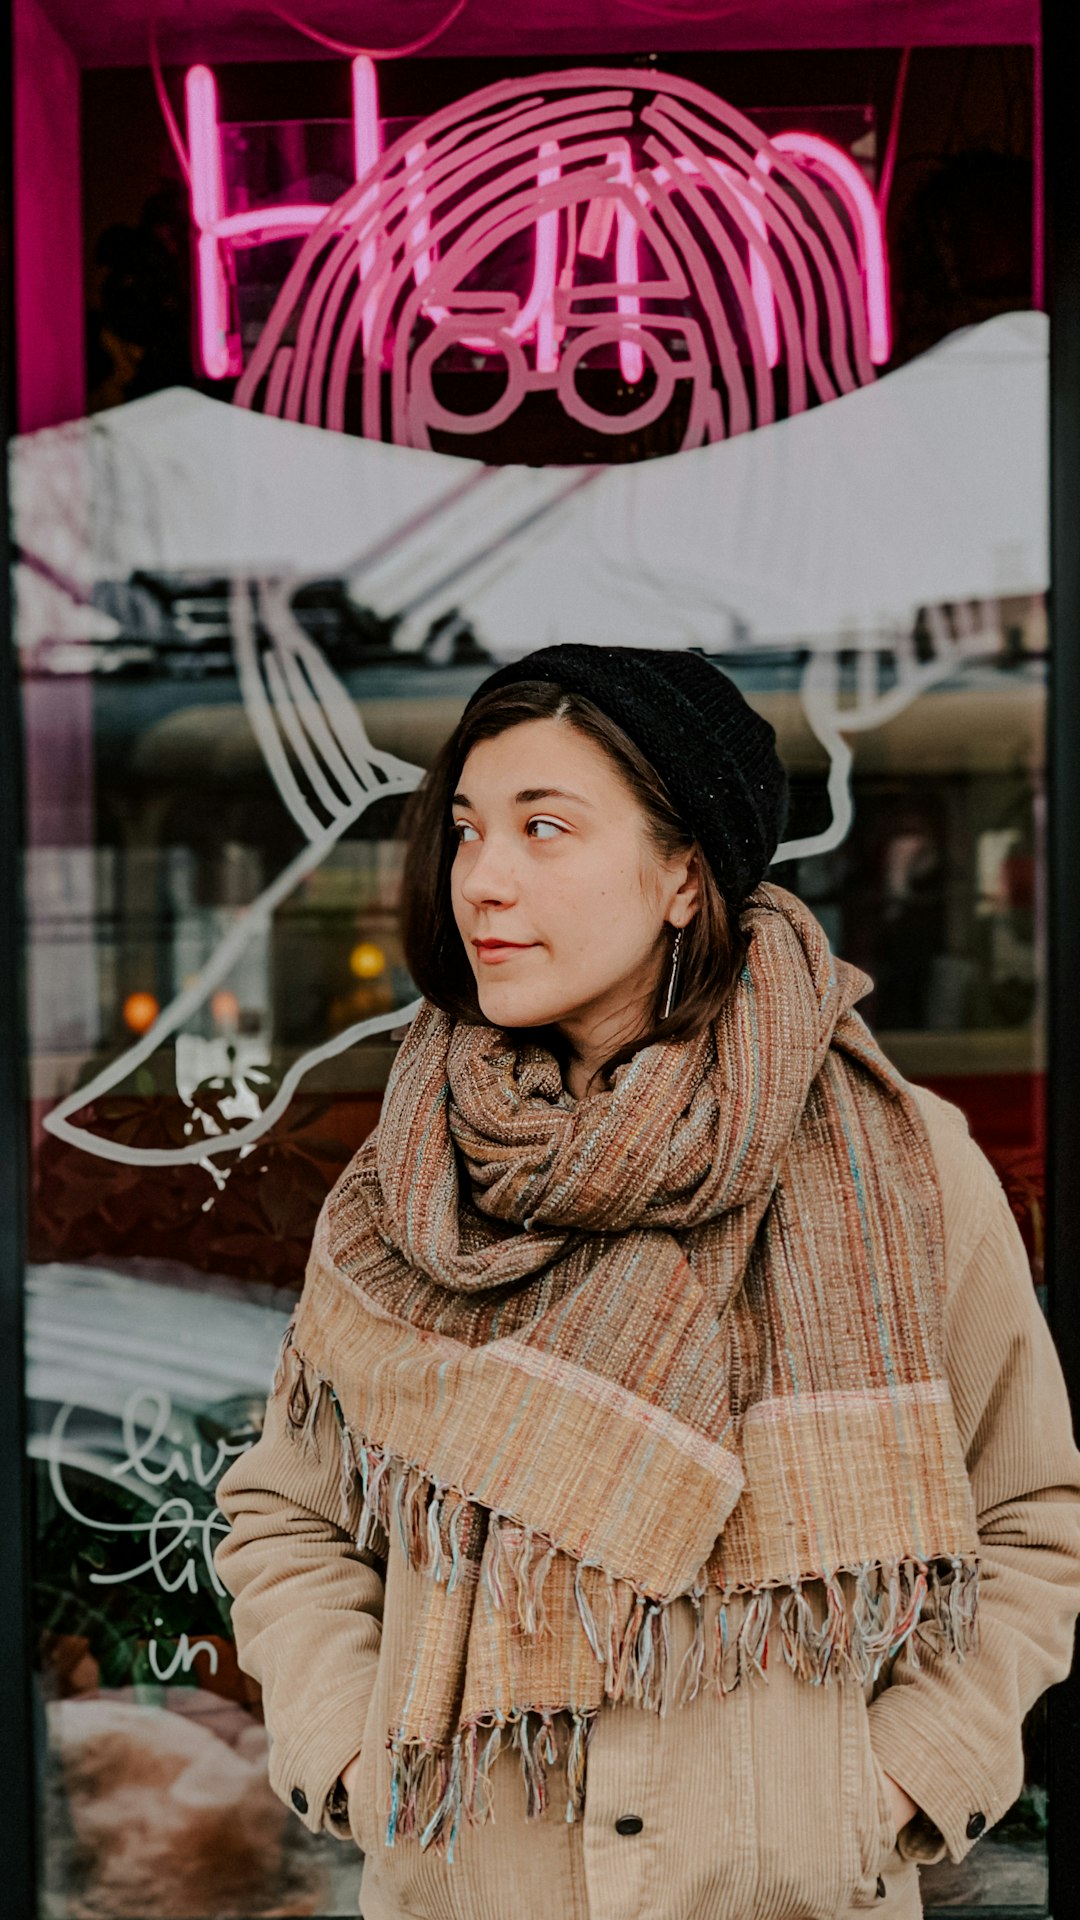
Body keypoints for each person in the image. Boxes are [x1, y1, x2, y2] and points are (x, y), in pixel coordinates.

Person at [214, 645, 1080, 1920]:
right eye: (466, 832)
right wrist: (355, 1755)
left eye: (543, 828)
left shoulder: (902, 1164)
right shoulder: (409, 1180)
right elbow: (289, 1517)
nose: (483, 881)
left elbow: (1029, 1524)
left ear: (684, 876)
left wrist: (889, 1787)